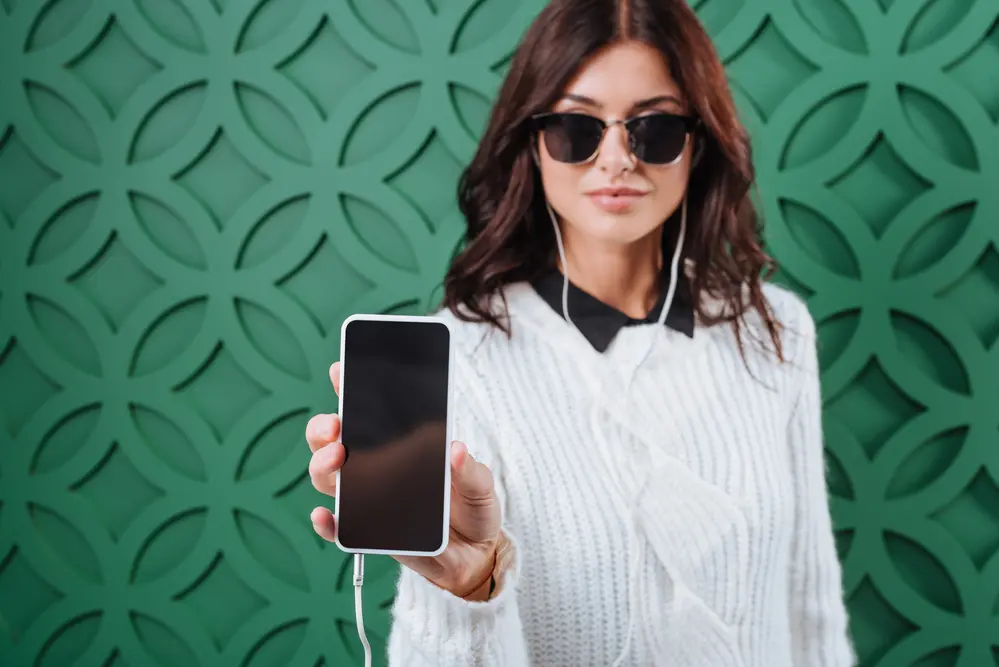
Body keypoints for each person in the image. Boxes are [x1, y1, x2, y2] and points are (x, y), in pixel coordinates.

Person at [304, 0, 856, 664]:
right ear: (532, 144)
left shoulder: (776, 331)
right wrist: (467, 589)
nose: (617, 159)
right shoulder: (463, 358)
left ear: (697, 143)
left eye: (653, 129)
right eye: (576, 127)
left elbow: (810, 608)